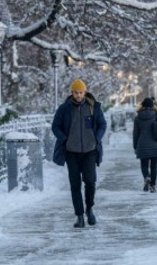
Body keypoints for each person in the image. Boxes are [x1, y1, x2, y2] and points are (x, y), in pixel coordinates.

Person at [52, 78, 107, 228]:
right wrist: (65, 139)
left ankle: (89, 208)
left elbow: (102, 124)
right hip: (71, 152)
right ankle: (79, 216)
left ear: (85, 92)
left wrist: (96, 138)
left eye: (81, 92)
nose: (78, 95)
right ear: (72, 93)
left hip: (90, 151)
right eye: (75, 92)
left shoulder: (93, 107)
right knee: (75, 185)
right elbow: (55, 126)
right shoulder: (64, 109)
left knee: (90, 182)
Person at [133, 97, 157, 193]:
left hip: (142, 145)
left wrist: (135, 146)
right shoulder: (156, 115)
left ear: (142, 105)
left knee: (144, 165)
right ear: (152, 105)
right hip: (156, 145)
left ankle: (146, 177)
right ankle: (153, 186)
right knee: (154, 166)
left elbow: (135, 133)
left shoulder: (138, 117)